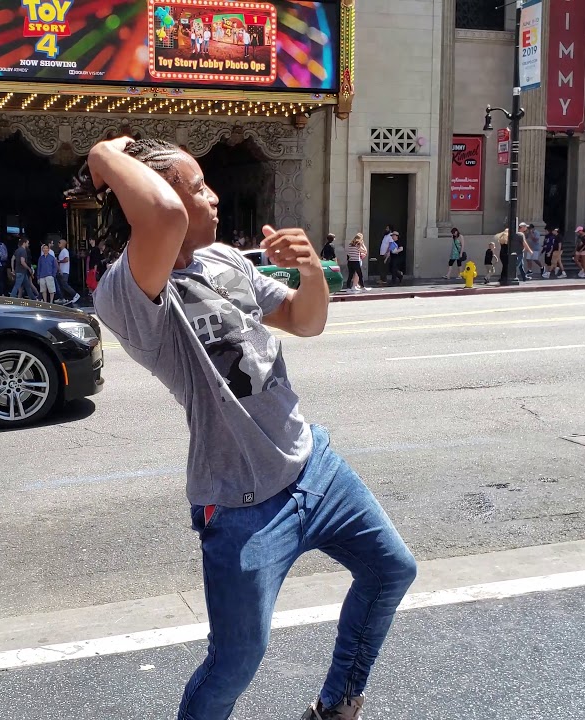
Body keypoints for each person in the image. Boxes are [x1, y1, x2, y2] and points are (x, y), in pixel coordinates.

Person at [74, 137, 416, 720]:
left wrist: (311, 271)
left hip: (315, 467)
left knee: (391, 569)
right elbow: (163, 216)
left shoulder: (225, 262)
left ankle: (336, 705)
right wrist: (104, 156)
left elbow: (305, 322)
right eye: (198, 185)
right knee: (237, 660)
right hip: (241, 503)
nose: (212, 198)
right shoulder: (127, 293)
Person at [57, 238, 82, 305]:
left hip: (65, 271)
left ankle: (75, 294)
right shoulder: (62, 251)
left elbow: (66, 259)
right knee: (62, 285)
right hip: (62, 270)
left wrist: (59, 261)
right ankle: (62, 298)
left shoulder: (65, 251)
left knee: (64, 284)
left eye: (59, 242)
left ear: (63, 244)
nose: (58, 244)